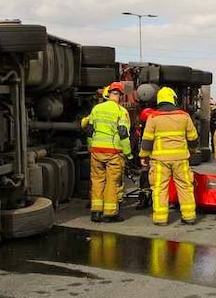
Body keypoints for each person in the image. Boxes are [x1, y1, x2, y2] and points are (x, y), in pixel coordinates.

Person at [139, 86, 200, 226]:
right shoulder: (184, 116)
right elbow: (193, 138)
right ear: (173, 99)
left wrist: (144, 156)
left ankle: (160, 218)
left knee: (160, 188)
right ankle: (189, 216)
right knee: (185, 186)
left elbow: (147, 140)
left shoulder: (153, 117)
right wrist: (192, 151)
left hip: (160, 161)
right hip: (181, 158)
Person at [81, 82, 132, 223]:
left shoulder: (96, 109)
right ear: (121, 96)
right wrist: (128, 154)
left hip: (96, 150)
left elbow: (89, 130)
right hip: (113, 152)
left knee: (97, 180)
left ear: (108, 93)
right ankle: (110, 213)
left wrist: (91, 146)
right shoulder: (121, 111)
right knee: (112, 182)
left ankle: (96, 212)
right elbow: (123, 134)